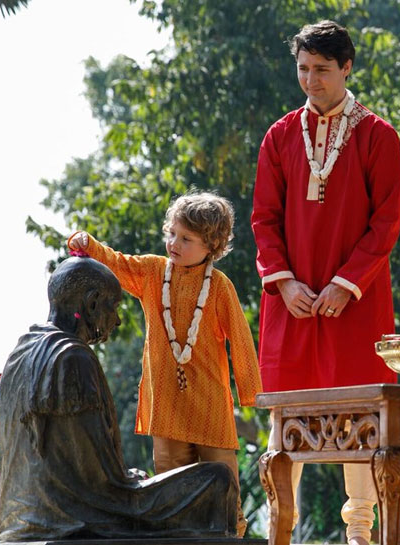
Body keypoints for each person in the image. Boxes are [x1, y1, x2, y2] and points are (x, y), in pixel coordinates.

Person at [251, 20, 400, 545]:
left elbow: (386, 223)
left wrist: (346, 283)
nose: (310, 80)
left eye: (321, 69)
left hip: (355, 305)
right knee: (286, 414)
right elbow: (263, 219)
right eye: (302, 69)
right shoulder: (279, 135)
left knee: (361, 415)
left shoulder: (378, 135)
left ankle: (360, 534)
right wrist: (285, 284)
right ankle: (279, 532)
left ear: (347, 68)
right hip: (291, 303)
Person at [0, 257, 239, 541]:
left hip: (17, 519)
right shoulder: (72, 357)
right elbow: (98, 484)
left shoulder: (19, 352)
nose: (117, 320)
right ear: (93, 303)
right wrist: (127, 479)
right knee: (217, 479)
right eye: (114, 307)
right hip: (76, 516)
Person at [67, 191, 262, 536]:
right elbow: (118, 262)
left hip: (210, 406)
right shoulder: (153, 273)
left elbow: (241, 341)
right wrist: (89, 245)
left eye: (186, 238)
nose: (174, 243)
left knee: (222, 480)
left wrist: (252, 394)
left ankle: (232, 536)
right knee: (169, 481)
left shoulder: (219, 286)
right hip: (166, 405)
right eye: (171, 233)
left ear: (211, 246)